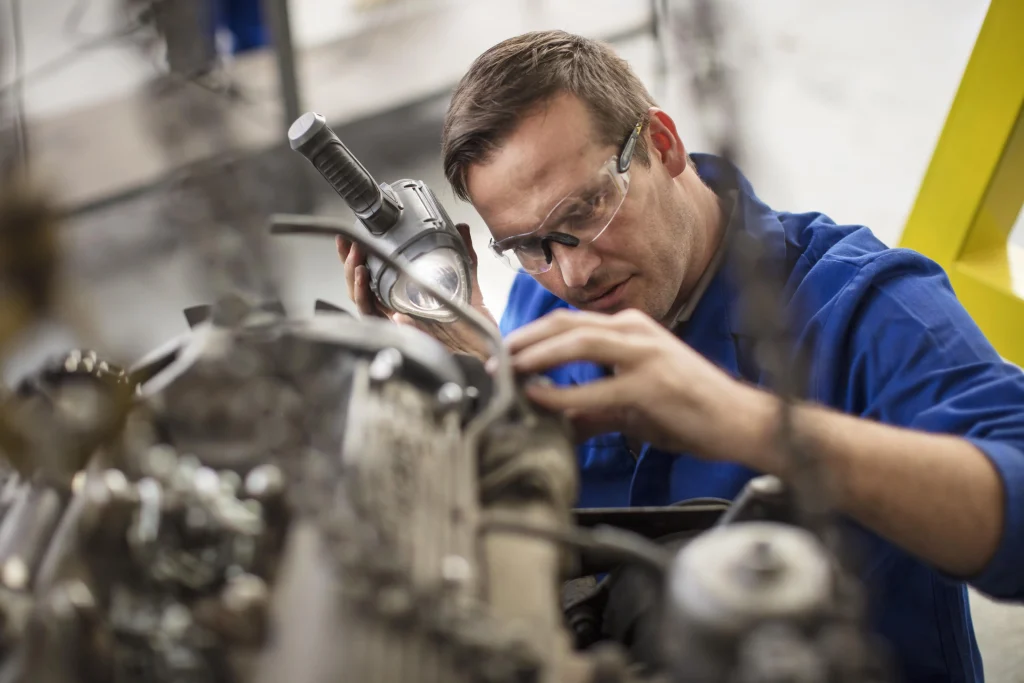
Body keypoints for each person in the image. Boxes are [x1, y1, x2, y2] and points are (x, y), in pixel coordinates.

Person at [336, 29, 1024, 681]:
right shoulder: (544, 307)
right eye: (528, 246)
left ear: (662, 144)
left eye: (585, 211)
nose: (574, 274)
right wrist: (474, 366)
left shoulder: (866, 306)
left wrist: (748, 421)